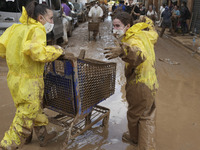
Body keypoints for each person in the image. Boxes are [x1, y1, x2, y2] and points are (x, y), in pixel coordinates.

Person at [0, 1, 64, 149]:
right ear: (40, 18)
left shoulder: (16, 28)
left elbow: (2, 49)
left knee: (33, 108)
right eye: (50, 18)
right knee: (27, 113)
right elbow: (38, 53)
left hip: (14, 79)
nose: (52, 22)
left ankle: (42, 136)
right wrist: (57, 50)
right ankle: (8, 144)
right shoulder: (38, 30)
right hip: (30, 81)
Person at [104, 12, 158, 150]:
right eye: (113, 25)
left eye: (117, 26)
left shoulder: (133, 40)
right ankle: (141, 140)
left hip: (139, 83)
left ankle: (137, 141)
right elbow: (152, 29)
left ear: (128, 26)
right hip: (151, 82)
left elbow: (139, 54)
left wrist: (123, 51)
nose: (114, 29)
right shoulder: (145, 34)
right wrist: (145, 19)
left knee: (136, 116)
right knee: (147, 114)